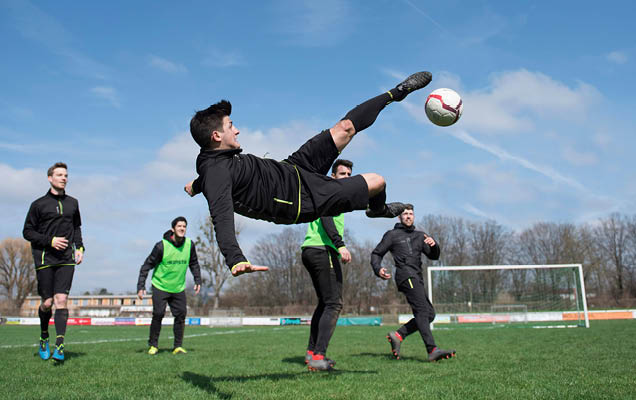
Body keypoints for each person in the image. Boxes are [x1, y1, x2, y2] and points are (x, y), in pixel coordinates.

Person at [184, 71, 433, 277]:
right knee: (377, 181)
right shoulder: (215, 174)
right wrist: (235, 258)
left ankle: (397, 92)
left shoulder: (210, 163)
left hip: (293, 168)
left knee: (345, 128)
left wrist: (196, 186)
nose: (236, 130)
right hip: (300, 199)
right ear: (216, 136)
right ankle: (377, 210)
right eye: (230, 126)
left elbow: (210, 175)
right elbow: (221, 215)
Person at [370, 204, 456, 362]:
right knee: (422, 310)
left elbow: (434, 256)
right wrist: (378, 269)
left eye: (411, 214)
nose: (408, 216)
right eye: (405, 214)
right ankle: (432, 350)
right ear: (399, 217)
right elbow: (376, 253)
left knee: (430, 314)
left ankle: (398, 335)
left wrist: (434, 245)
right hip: (405, 275)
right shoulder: (392, 235)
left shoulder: (420, 235)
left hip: (417, 277)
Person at [23, 162, 84, 362]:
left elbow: (76, 228)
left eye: (65, 175)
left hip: (66, 258)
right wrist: (50, 241)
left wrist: (80, 248)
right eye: (59, 175)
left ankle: (59, 344)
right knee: (47, 303)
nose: (63, 178)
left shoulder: (73, 203)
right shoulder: (38, 204)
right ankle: (43, 336)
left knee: (61, 301)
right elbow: (27, 232)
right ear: (50, 178)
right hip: (45, 258)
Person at [301, 159, 354, 371]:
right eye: (342, 174)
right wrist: (340, 245)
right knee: (334, 303)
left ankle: (312, 353)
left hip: (312, 250)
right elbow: (326, 219)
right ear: (333, 176)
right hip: (322, 249)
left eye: (349, 174)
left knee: (325, 303)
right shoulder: (330, 192)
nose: (346, 178)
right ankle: (318, 355)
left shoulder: (333, 194)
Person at [137, 217, 202, 355]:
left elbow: (194, 263)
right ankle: (153, 345)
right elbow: (146, 266)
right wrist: (141, 286)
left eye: (184, 226)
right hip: (160, 286)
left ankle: (177, 346)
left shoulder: (190, 245)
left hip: (178, 287)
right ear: (173, 229)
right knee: (159, 314)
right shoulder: (161, 246)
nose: (182, 228)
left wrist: (197, 280)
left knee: (181, 315)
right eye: (179, 226)